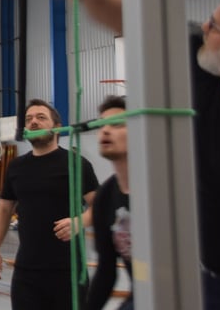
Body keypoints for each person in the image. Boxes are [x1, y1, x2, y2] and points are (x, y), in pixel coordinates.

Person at [52, 0, 220, 310]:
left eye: (214, 26)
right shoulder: (203, 59)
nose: (204, 27)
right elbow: (135, 20)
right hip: (203, 272)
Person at [0, 98, 99, 310]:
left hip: (68, 272)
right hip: (26, 272)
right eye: (28, 119)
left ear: (57, 127)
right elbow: (4, 208)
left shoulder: (76, 163)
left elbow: (100, 206)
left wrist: (80, 221)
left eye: (40, 117)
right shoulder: (16, 167)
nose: (33, 122)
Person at [87, 95, 132, 310]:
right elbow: (106, 271)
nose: (105, 130)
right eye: (101, 125)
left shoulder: (161, 188)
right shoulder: (105, 197)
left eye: (116, 124)